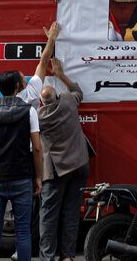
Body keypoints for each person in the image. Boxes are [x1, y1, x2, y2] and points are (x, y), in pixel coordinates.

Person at [0, 70, 44, 261]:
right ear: (18, 87)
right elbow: (37, 148)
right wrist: (38, 177)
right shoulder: (29, 111)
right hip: (22, 177)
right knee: (23, 230)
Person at [38, 58, 90, 261]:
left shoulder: (39, 116)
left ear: (42, 103)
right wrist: (61, 75)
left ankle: (47, 257)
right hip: (79, 165)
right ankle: (67, 256)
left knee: (49, 216)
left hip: (56, 171)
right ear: (57, 96)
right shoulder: (68, 102)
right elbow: (78, 92)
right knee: (71, 212)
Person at [17, 22, 61, 110]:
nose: (26, 78)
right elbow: (43, 62)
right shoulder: (31, 93)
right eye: (23, 78)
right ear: (19, 85)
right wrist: (51, 39)